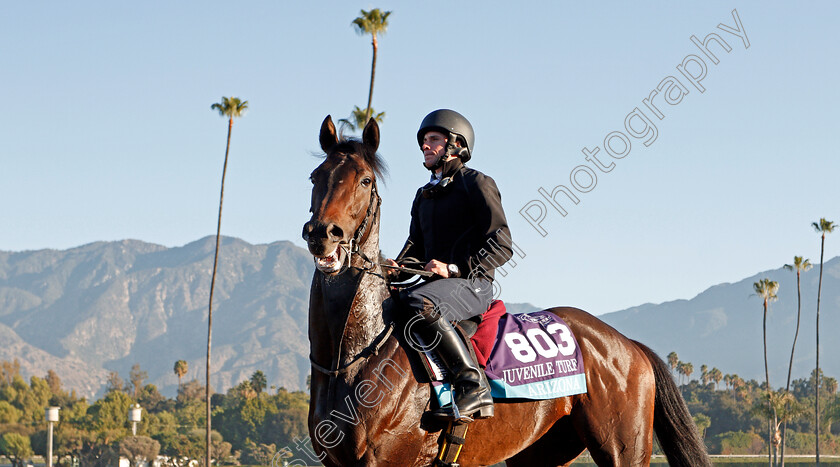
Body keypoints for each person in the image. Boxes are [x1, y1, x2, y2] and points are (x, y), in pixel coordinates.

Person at [388, 109, 513, 423]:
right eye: (423, 142)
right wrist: (396, 267)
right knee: (393, 301)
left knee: (419, 300)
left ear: (455, 144)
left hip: (474, 285)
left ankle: (473, 385)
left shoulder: (477, 183)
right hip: (437, 286)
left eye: (433, 139)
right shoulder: (423, 195)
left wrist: (454, 269)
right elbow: (415, 249)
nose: (425, 146)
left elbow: (502, 244)